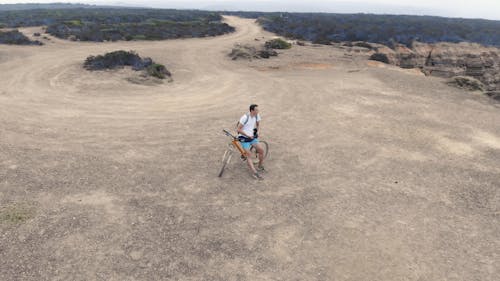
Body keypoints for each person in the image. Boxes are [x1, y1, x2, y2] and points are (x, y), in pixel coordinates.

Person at [237, 104, 265, 179]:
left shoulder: (257, 115)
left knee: (261, 150)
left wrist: (258, 131)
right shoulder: (245, 117)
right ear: (252, 110)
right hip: (244, 138)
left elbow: (258, 124)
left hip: (252, 137)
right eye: (256, 110)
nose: (258, 111)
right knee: (248, 155)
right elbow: (238, 129)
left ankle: (260, 166)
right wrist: (247, 135)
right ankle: (254, 173)